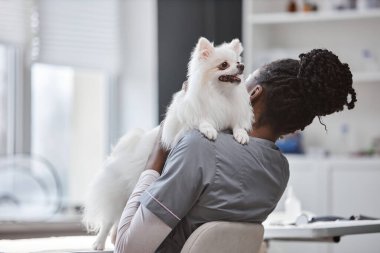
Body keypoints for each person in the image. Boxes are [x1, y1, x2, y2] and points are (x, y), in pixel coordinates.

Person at [114, 49, 357, 253]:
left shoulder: (199, 147)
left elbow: (127, 248)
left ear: (253, 94)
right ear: (294, 128)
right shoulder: (278, 171)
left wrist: (158, 151)